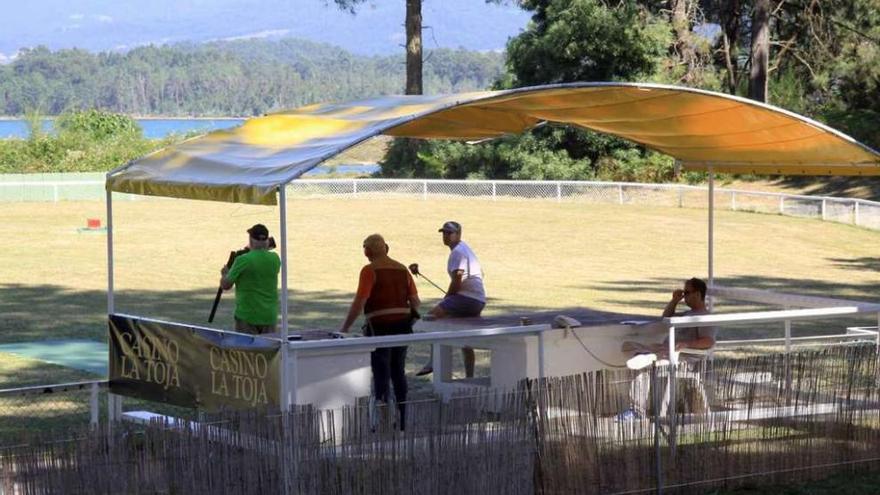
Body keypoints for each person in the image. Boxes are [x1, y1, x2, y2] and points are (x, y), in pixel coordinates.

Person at [340, 234, 420, 430]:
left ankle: (382, 420)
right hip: (403, 327)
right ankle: (401, 419)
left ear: (367, 252)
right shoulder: (402, 270)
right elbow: (416, 302)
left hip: (379, 328)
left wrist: (345, 328)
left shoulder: (369, 270)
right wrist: (412, 319)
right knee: (398, 371)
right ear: (387, 248)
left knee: (381, 371)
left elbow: (360, 302)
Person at [618, 277, 715, 419]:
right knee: (627, 346)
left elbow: (708, 341)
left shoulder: (705, 317)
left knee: (644, 366)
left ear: (698, 294)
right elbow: (666, 317)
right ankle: (648, 355)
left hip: (682, 357)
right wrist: (675, 300)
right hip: (665, 350)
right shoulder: (688, 314)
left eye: (687, 292)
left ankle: (637, 411)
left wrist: (687, 345)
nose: (684, 296)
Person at [416, 221, 486, 377]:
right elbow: (481, 274)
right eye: (444, 233)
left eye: (449, 233)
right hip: (478, 299)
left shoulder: (458, 252)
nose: (446, 236)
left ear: (459, 234)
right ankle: (470, 377)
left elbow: (457, 279)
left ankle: (433, 361)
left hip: (466, 298)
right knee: (465, 338)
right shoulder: (466, 249)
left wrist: (448, 297)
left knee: (430, 317)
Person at [220, 224, 281, 335]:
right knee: (268, 351)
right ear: (267, 241)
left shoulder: (243, 260)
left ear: (251, 240)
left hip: (247, 316)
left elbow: (226, 285)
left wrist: (225, 274)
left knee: (247, 351)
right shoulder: (275, 259)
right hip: (269, 316)